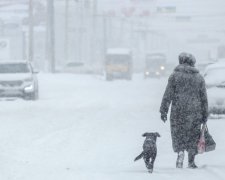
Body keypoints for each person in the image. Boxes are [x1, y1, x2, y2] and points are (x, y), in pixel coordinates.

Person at [160, 52, 208, 169]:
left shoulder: (175, 76)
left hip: (178, 110)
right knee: (193, 135)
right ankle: (191, 160)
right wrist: (205, 114)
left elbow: (168, 94)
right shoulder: (199, 78)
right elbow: (203, 97)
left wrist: (163, 110)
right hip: (194, 112)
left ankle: (180, 152)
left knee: (178, 133)